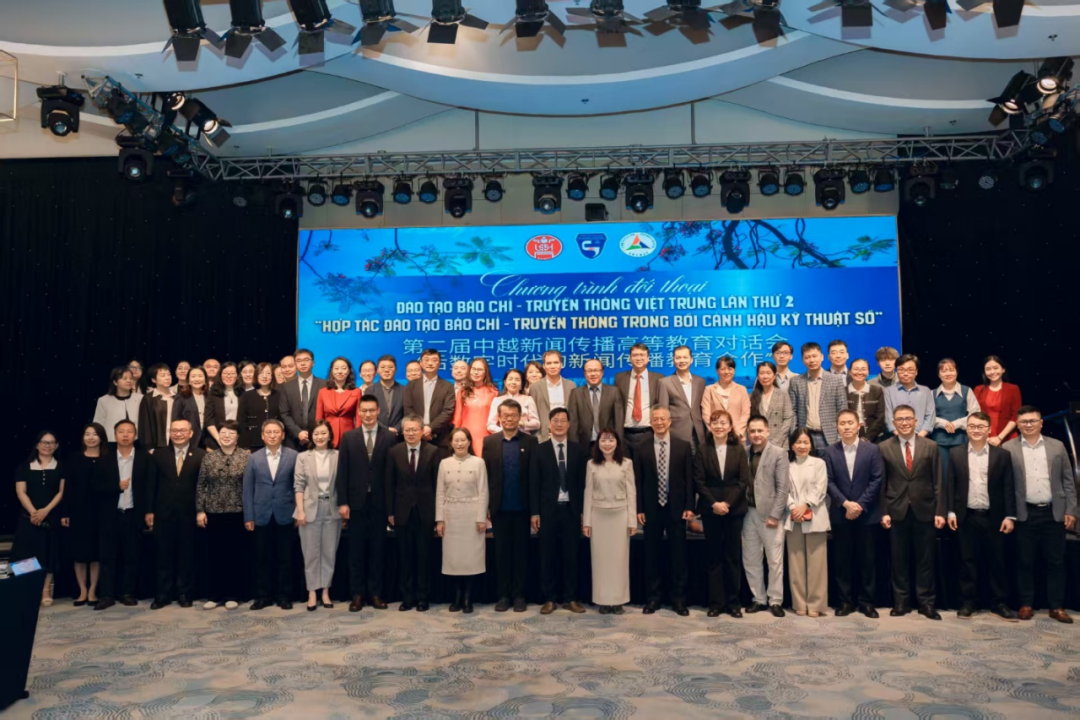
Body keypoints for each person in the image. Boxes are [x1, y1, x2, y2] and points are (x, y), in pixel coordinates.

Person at [1004, 406, 1077, 623]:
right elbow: (1006, 485)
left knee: (1056, 562)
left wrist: (1071, 509)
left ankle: (1057, 607)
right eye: (1024, 422)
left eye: (1033, 421)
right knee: (1024, 561)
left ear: (1041, 423)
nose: (1028, 425)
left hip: (1053, 512)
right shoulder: (1008, 448)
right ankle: (1026, 604)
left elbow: (1068, 480)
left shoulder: (1057, 446)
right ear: (1018, 425)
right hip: (1024, 513)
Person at [945, 412, 1016, 621]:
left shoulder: (1002, 455)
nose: (976, 430)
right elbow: (951, 484)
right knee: (967, 561)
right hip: (966, 516)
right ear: (967, 428)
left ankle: (999, 602)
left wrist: (1010, 515)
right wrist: (950, 511)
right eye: (972, 426)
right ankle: (968, 602)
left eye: (981, 426)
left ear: (989, 429)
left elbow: (1008, 487)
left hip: (995, 517)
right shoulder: (956, 453)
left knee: (997, 561)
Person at [879, 404, 945, 620]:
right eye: (900, 419)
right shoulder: (884, 447)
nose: (905, 422)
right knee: (898, 560)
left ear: (916, 421)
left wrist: (940, 511)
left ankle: (926, 604)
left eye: (908, 418)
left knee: (926, 560)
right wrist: (883, 511)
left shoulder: (931, 446)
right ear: (893, 423)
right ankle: (901, 602)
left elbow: (938, 481)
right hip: (896, 511)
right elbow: (882, 483)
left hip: (925, 510)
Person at [633, 406, 694, 616]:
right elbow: (638, 480)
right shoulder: (641, 447)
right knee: (652, 555)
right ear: (651, 423)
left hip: (676, 508)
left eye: (662, 419)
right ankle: (654, 598)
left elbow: (689, 479)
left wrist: (689, 505)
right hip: (651, 509)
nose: (659, 422)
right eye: (655, 419)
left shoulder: (683, 446)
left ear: (669, 422)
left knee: (678, 556)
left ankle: (679, 599)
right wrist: (639, 508)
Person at [824, 410, 885, 619]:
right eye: (842, 423)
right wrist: (845, 504)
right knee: (842, 560)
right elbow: (828, 481)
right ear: (837, 427)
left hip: (867, 514)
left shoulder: (873, 449)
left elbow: (877, 479)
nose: (846, 426)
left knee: (867, 560)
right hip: (841, 514)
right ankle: (845, 601)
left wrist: (858, 505)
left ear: (859, 425)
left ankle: (867, 603)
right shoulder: (830, 451)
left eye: (850, 422)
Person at [337, 394, 394, 611]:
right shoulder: (348, 437)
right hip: (356, 504)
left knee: (378, 551)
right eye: (364, 411)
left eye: (372, 410)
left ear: (378, 411)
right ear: (359, 412)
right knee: (356, 551)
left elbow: (392, 474)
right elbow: (342, 472)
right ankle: (357, 595)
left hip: (380, 502)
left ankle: (376, 594)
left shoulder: (389, 437)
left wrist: (391, 506)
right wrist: (343, 502)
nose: (368, 414)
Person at [529, 406, 587, 614]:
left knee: (571, 555)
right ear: (549, 425)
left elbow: (583, 484)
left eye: (563, 420)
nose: (559, 424)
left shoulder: (578, 450)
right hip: (547, 511)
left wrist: (583, 511)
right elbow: (533, 483)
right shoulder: (539, 450)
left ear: (569, 425)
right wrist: (535, 512)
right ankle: (550, 598)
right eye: (555, 420)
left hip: (571, 510)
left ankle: (571, 598)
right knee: (547, 555)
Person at [484, 400, 539, 612]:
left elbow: (534, 478)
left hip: (522, 508)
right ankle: (504, 595)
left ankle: (519, 595)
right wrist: (486, 507)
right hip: (499, 508)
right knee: (501, 554)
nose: (509, 419)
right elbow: (486, 477)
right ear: (499, 417)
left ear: (520, 417)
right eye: (505, 415)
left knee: (521, 554)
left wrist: (535, 511)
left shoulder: (530, 441)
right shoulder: (490, 442)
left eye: (513, 415)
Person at [145, 419, 204, 609]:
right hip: (163, 512)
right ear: (169, 433)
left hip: (189, 512)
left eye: (182, 430)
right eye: (174, 430)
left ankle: (184, 593)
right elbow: (151, 484)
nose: (178, 434)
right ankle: (163, 594)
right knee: (163, 554)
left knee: (187, 554)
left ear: (191, 433)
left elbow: (203, 486)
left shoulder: (201, 455)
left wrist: (201, 509)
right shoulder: (159, 454)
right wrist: (149, 510)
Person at [695, 409, 750, 617]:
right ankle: (716, 603)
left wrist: (727, 503)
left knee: (732, 557)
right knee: (714, 557)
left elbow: (743, 481)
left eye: (723, 423)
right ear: (710, 426)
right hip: (711, 511)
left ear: (730, 426)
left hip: (734, 510)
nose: (719, 426)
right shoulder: (702, 450)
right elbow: (699, 481)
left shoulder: (738, 449)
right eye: (715, 423)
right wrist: (714, 504)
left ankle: (733, 603)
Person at [243, 419, 299, 610]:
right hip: (261, 514)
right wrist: (249, 516)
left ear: (283, 435)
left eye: (276, 432)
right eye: (269, 432)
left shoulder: (293, 456)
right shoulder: (253, 458)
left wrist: (298, 512)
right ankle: (263, 597)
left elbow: (298, 486)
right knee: (262, 558)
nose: (272, 435)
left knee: (286, 558)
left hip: (286, 513)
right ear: (262, 436)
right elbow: (247, 489)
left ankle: (284, 596)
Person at [386, 415, 440, 611]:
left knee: (424, 557)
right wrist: (390, 512)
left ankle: (423, 597)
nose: (410, 433)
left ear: (422, 431)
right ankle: (407, 598)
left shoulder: (433, 451)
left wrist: (438, 514)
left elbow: (437, 484)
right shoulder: (394, 452)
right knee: (405, 557)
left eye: (414, 429)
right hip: (402, 512)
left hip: (425, 511)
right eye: (407, 430)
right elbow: (389, 484)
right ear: (403, 432)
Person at [94, 420, 148, 610]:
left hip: (133, 514)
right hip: (110, 515)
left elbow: (150, 487)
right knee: (108, 557)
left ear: (135, 435)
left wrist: (149, 511)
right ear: (114, 435)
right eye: (121, 431)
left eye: (129, 431)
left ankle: (128, 593)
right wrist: (115, 487)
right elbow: (95, 488)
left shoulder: (144, 458)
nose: (125, 435)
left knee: (131, 557)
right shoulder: (104, 459)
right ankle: (107, 595)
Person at [196, 420, 249, 610]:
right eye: (223, 433)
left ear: (237, 438)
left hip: (238, 512)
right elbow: (201, 484)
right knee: (215, 555)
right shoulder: (209, 458)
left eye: (231, 434)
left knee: (234, 555)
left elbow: (250, 486)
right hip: (213, 512)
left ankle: (233, 594)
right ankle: (215, 595)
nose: (227, 436)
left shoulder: (245, 457)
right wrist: (200, 510)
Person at [583, 428, 637, 615]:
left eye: (611, 440)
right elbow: (588, 492)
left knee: (619, 560)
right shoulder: (591, 464)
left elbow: (631, 492)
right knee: (600, 560)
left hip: (620, 516)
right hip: (598, 516)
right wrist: (587, 522)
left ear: (617, 443)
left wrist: (632, 521)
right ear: (598, 443)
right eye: (603, 440)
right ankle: (603, 601)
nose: (607, 444)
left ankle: (618, 600)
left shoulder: (626, 464)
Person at [740, 416, 789, 617]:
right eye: (752, 431)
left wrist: (775, 515)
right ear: (747, 433)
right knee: (751, 559)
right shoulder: (743, 453)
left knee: (774, 561)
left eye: (760, 430)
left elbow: (783, 488)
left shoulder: (779, 453)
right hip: (747, 514)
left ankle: (775, 600)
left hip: (770, 515)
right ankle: (758, 599)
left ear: (767, 431)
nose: (756, 434)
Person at [436, 427, 488, 613]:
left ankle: (467, 598)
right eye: (456, 440)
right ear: (451, 443)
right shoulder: (444, 463)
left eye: (463, 440)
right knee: (454, 560)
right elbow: (440, 493)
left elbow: (483, 491)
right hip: (451, 517)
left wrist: (481, 518)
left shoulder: (478, 462)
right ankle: (457, 596)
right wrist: (440, 520)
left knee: (470, 559)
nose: (459, 443)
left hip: (471, 517)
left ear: (469, 442)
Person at [13, 431, 65, 606]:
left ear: (56, 446)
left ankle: (45, 590)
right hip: (28, 517)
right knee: (25, 553)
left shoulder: (61, 467)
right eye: (44, 442)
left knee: (48, 554)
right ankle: (27, 588)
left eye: (51, 442)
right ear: (37, 445)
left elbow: (61, 492)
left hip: (51, 517)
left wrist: (46, 511)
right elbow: (21, 492)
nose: (47, 446)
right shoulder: (24, 467)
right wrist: (34, 513)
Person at [294, 420, 341, 611]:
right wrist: (300, 511)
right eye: (316, 434)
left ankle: (326, 591)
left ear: (330, 435)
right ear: (311, 436)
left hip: (332, 508)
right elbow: (298, 485)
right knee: (310, 553)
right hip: (309, 509)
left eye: (323, 433)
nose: (320, 437)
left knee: (329, 553)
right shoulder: (303, 457)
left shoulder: (338, 456)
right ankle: (312, 592)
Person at [785, 427, 831, 617]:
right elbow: (783, 489)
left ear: (811, 445)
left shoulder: (819, 463)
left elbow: (821, 488)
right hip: (793, 517)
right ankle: (799, 603)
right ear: (792, 445)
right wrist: (793, 507)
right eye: (798, 442)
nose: (802, 446)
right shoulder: (787, 466)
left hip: (815, 515)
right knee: (796, 563)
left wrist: (805, 505)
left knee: (817, 564)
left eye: (806, 442)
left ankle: (816, 604)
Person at [61, 423, 107, 606]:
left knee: (96, 553)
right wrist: (65, 512)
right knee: (79, 553)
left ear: (101, 437)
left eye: (95, 434)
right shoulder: (74, 459)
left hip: (100, 512)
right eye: (87, 434)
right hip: (78, 512)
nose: (91, 438)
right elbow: (67, 488)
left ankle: (93, 591)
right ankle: (82, 591)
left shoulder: (107, 458)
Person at [788, 343, 848, 454]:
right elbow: (793, 411)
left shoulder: (835, 380)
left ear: (822, 357)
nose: (811, 360)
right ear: (803, 360)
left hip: (830, 437)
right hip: (805, 436)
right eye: (807, 357)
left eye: (814, 356)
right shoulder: (796, 381)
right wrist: (795, 434)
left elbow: (842, 410)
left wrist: (839, 437)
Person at [929, 358, 981, 479]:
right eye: (944, 371)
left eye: (951, 370)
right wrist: (943, 423)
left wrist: (957, 423)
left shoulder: (967, 390)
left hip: (961, 440)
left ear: (957, 372)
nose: (948, 373)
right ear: (939, 374)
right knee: (943, 475)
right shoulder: (932, 393)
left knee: (962, 474)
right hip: (940, 441)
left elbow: (975, 413)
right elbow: (928, 415)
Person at [403, 348, 456, 457]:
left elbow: (448, 412)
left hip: (440, 439)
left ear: (439, 364)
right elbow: (408, 409)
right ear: (421, 363)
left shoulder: (448, 387)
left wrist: (430, 428)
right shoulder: (411, 386)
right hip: (416, 438)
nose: (430, 363)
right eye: (426, 360)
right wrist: (420, 429)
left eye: (434, 360)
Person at [658, 346, 707, 453]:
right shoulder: (665, 382)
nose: (682, 360)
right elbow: (663, 412)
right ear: (673, 360)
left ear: (691, 359)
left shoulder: (700, 381)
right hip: (677, 434)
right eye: (678, 358)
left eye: (685, 357)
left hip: (699, 434)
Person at [280, 348, 328, 451]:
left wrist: (315, 433)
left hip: (318, 438)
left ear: (313, 363)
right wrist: (298, 432)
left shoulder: (324, 384)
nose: (302, 363)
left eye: (306, 360)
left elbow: (327, 411)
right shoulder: (286, 387)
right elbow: (284, 413)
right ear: (295, 364)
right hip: (293, 440)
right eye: (299, 361)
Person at [615, 343, 659, 457]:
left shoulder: (658, 378)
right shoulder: (620, 378)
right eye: (635, 355)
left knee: (647, 466)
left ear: (648, 358)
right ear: (630, 358)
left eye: (642, 355)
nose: (638, 358)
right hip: (625, 433)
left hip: (649, 432)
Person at [568, 359, 623, 447]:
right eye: (589, 371)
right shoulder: (575, 393)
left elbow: (618, 421)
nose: (593, 374)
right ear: (584, 373)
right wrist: (574, 446)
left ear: (602, 372)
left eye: (596, 370)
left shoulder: (614, 392)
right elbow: (573, 423)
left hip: (607, 443)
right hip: (583, 444)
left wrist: (618, 444)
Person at [454, 358, 499, 455]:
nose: (476, 372)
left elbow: (497, 419)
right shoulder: (462, 392)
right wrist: (456, 437)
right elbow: (457, 418)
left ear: (486, 372)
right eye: (473, 369)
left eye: (480, 370)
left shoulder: (493, 392)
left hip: (487, 436)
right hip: (466, 436)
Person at [883, 354, 936, 438]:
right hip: (896, 438)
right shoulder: (888, 391)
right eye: (901, 370)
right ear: (896, 371)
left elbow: (930, 416)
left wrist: (919, 437)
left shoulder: (925, 391)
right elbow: (888, 418)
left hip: (921, 438)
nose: (905, 373)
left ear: (916, 371)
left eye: (910, 370)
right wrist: (901, 437)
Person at [974, 355, 1022, 447]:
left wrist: (999, 438)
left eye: (995, 368)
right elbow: (975, 415)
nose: (992, 372)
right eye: (988, 369)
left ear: (1003, 369)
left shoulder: (1013, 389)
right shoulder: (978, 390)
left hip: (1008, 437)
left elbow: (1015, 416)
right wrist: (983, 436)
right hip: (984, 437)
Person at [531, 350, 577, 442]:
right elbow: (533, 415)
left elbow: (574, 413)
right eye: (549, 363)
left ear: (561, 365)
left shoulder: (571, 385)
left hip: (567, 436)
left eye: (556, 362)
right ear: (544, 366)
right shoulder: (535, 387)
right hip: (544, 437)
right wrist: (538, 437)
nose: (552, 366)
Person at [316, 357, 361, 449]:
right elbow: (319, 418)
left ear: (349, 371)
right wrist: (319, 436)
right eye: (336, 368)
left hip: (349, 436)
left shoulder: (356, 392)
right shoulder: (323, 392)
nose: (340, 371)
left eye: (344, 368)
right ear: (332, 371)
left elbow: (359, 418)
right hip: (328, 437)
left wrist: (359, 436)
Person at [748, 361, 794, 449]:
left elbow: (788, 419)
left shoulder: (783, 394)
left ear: (774, 376)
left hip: (780, 444)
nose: (765, 376)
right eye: (762, 373)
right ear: (758, 377)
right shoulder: (752, 396)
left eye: (768, 373)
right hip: (758, 443)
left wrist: (777, 441)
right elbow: (749, 421)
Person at [238, 363, 281, 450]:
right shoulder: (247, 396)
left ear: (272, 376)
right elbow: (241, 422)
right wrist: (245, 446)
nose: (264, 376)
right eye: (261, 373)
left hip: (276, 443)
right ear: (256, 376)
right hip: (253, 443)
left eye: (268, 373)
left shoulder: (279, 395)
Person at [488, 368, 541, 435]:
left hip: (523, 437)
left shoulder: (528, 399)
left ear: (522, 384)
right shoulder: (497, 400)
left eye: (517, 380)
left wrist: (522, 424)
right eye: (510, 379)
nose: (513, 382)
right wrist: (504, 431)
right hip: (503, 438)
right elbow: (490, 424)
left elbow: (537, 423)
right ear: (505, 382)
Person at [93, 367, 141, 441]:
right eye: (124, 378)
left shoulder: (140, 398)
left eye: (131, 378)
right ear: (115, 382)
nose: (129, 381)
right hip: (111, 440)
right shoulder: (104, 400)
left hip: (136, 440)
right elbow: (98, 424)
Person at [137, 363, 175, 449]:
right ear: (154, 380)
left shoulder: (177, 397)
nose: (167, 378)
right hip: (156, 444)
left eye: (169, 374)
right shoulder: (148, 399)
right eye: (162, 375)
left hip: (175, 442)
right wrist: (149, 446)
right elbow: (145, 424)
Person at [847, 358, 885, 443]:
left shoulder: (877, 391)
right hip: (849, 436)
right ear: (849, 372)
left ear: (868, 372)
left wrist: (867, 438)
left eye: (863, 369)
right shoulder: (843, 391)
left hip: (874, 437)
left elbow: (880, 417)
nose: (860, 372)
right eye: (856, 369)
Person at [206, 362, 242, 450]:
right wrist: (219, 439)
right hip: (216, 442)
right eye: (225, 373)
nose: (228, 376)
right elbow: (208, 419)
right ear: (220, 375)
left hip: (238, 442)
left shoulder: (243, 393)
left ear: (237, 376)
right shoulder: (213, 393)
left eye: (232, 373)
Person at [173, 365, 210, 447]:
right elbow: (176, 419)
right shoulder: (181, 396)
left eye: (200, 376)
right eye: (193, 376)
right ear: (189, 381)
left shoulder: (210, 396)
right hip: (189, 440)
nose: (197, 379)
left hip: (208, 440)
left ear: (205, 380)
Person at [371, 354, 405, 439]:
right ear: (377, 370)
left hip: (398, 436)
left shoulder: (404, 390)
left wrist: (397, 428)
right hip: (377, 435)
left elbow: (407, 413)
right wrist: (386, 429)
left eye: (390, 367)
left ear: (395, 370)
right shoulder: (370, 390)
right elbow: (369, 414)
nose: (386, 370)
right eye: (383, 367)